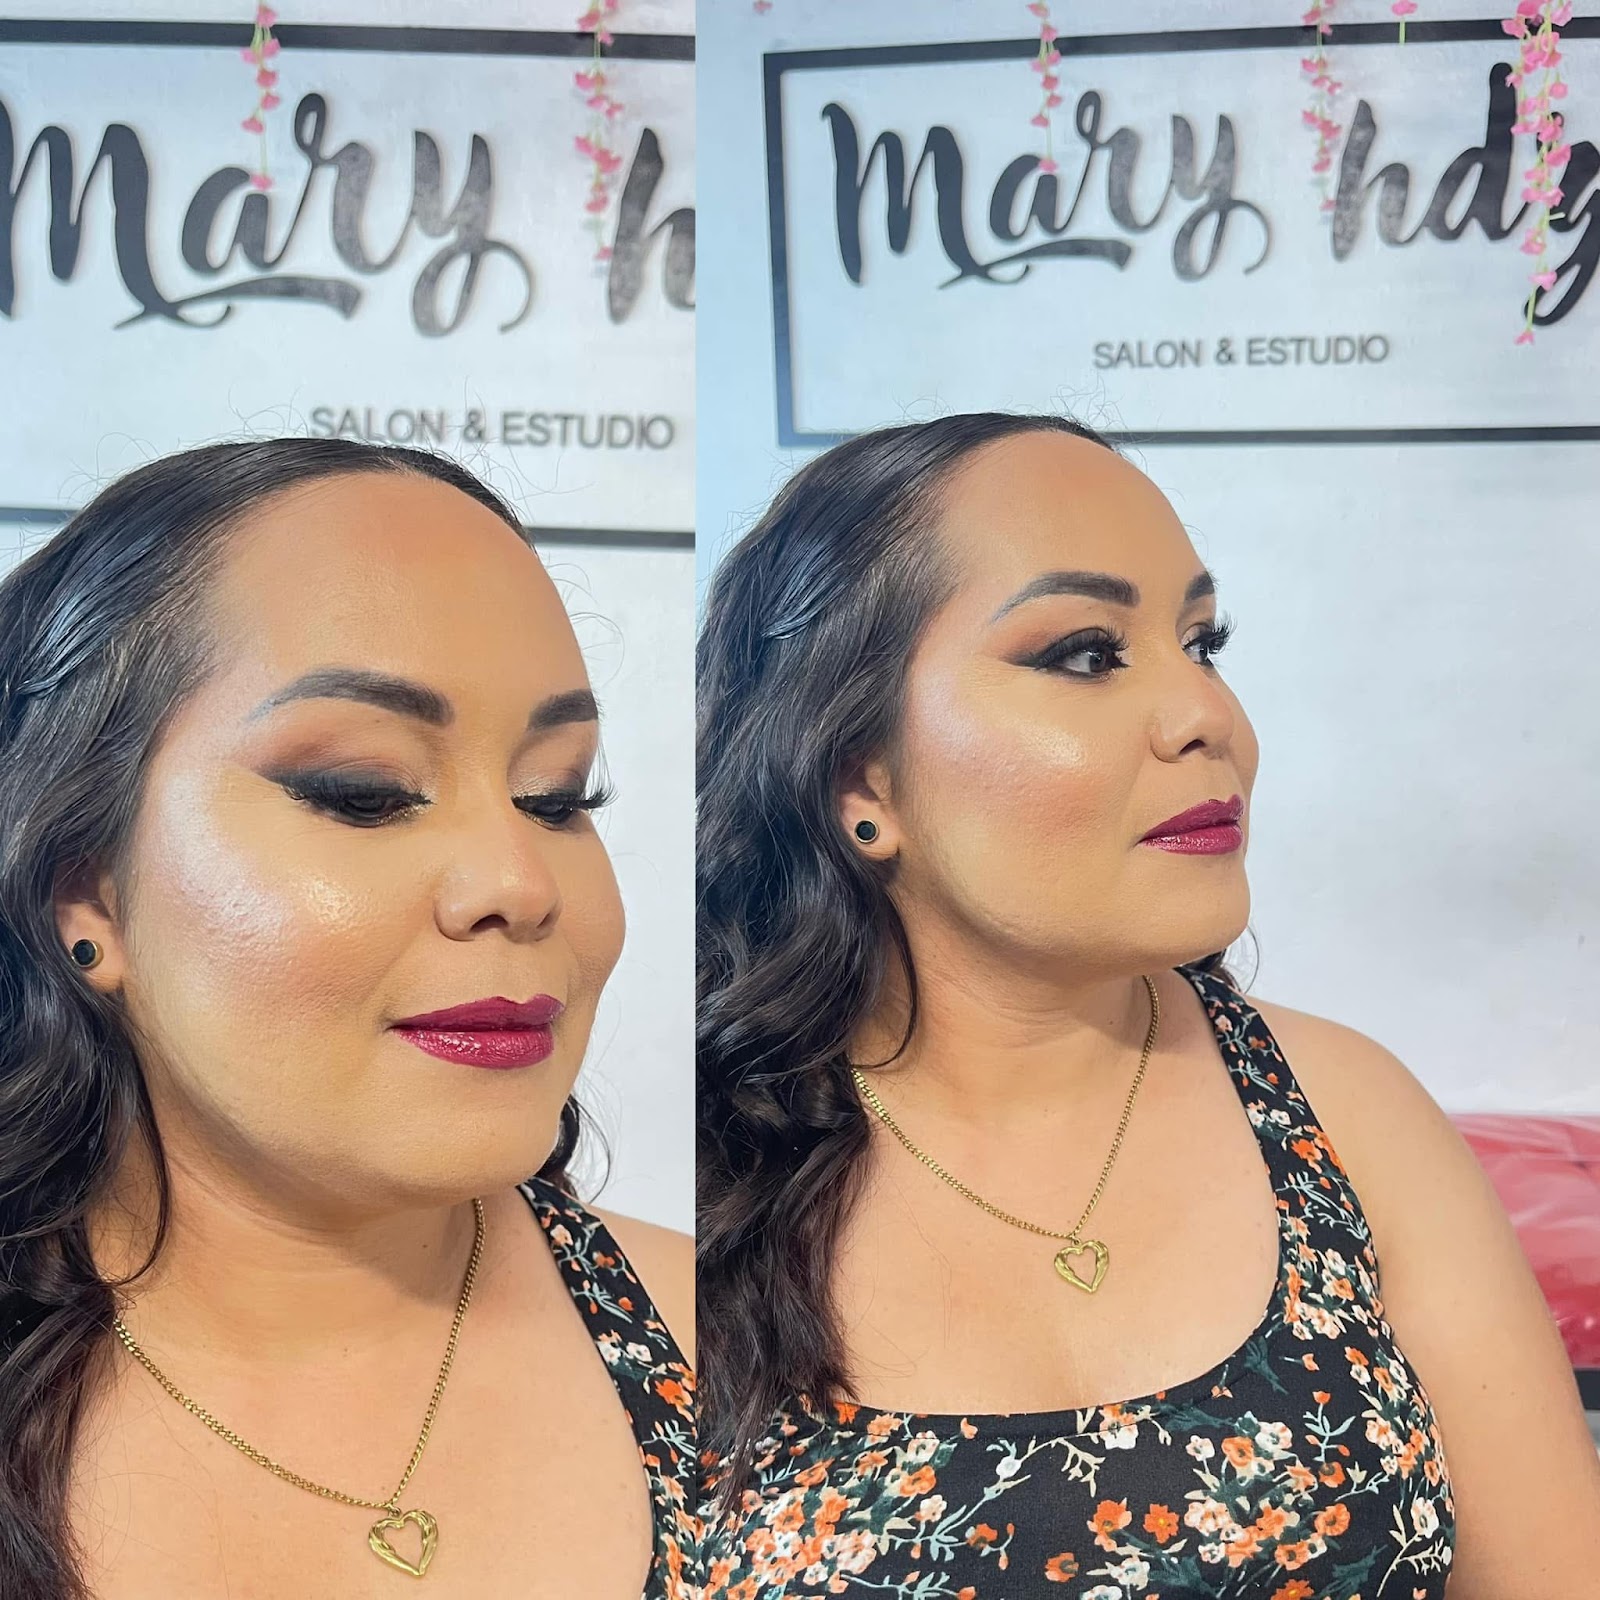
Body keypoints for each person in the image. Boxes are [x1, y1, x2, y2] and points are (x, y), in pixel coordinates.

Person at [695, 412, 1600, 1598]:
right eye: (1086, 654)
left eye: (1201, 643)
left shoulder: (1342, 1110)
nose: (1209, 718)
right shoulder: (702, 1173)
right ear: (856, 774)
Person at [0, 439, 695, 1600]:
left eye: (555, 797)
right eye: (365, 795)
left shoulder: (742, 1339)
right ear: (87, 892)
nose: (520, 884)